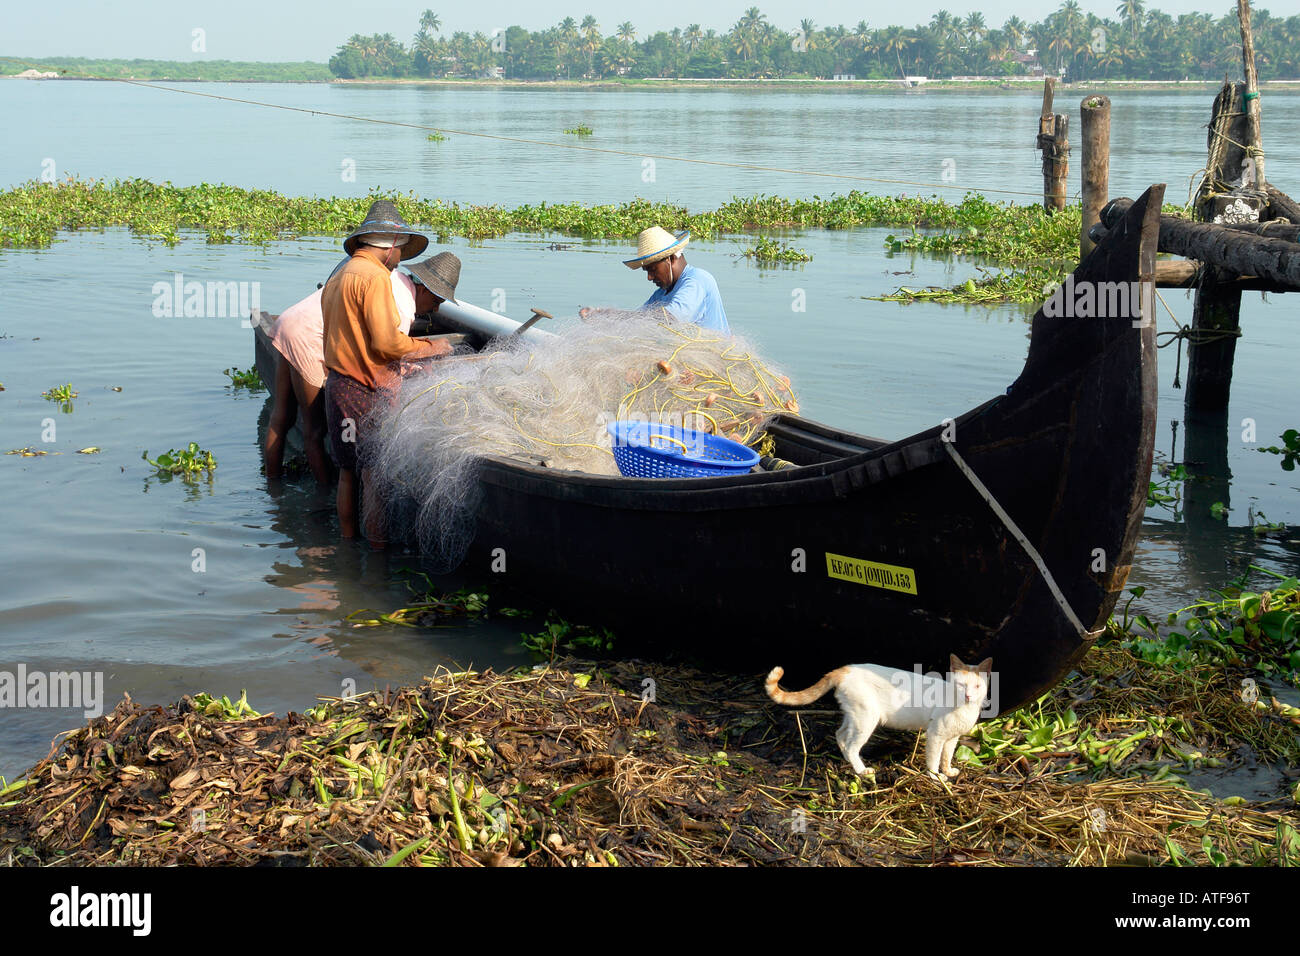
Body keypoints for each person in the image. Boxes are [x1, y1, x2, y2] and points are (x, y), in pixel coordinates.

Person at [321, 201, 452, 547]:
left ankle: (349, 545)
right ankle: (378, 553)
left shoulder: (341, 275)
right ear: (391, 245)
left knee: (347, 474)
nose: (400, 261)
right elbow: (385, 343)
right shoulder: (375, 278)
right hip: (366, 389)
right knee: (374, 477)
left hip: (337, 386)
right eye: (402, 251)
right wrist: (430, 349)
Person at [264, 263, 422, 485]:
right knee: (315, 430)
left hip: (291, 320)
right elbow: (388, 353)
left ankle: (272, 485)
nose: (432, 309)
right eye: (435, 302)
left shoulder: (391, 275)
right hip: (308, 336)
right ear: (424, 290)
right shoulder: (404, 307)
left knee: (281, 416)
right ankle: (324, 499)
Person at [602, 227, 730, 333]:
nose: (649, 277)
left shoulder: (697, 280)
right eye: (646, 271)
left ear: (671, 259)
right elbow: (638, 319)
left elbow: (670, 318)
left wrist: (611, 315)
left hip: (710, 354)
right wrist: (603, 315)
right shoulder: (661, 293)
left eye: (652, 269)